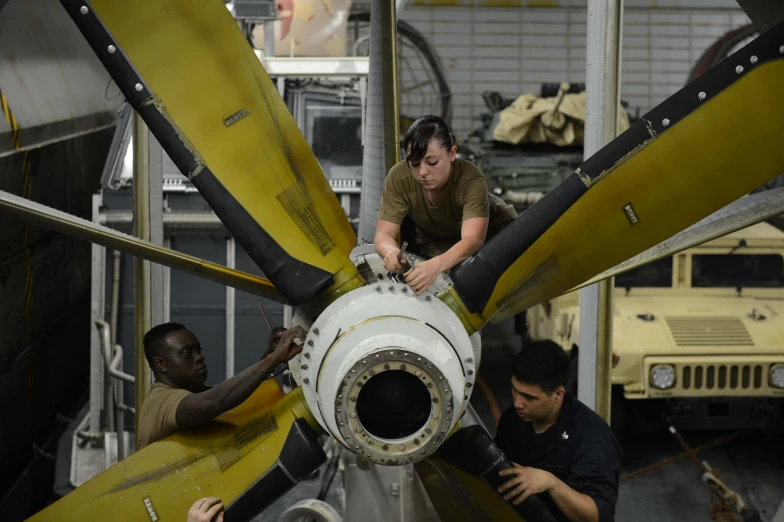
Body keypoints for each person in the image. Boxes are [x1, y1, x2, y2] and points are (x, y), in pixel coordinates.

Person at [374, 115, 517, 296]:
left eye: (432, 162)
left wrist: (435, 266)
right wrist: (391, 252)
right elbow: (383, 234)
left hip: (490, 237)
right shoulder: (399, 177)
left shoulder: (470, 178)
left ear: (452, 154)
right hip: (431, 240)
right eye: (414, 164)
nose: (423, 172)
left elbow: (473, 239)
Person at [494, 340, 622, 522]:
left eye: (530, 397)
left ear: (558, 395)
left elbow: (596, 515)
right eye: (515, 390)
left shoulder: (593, 437)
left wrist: (551, 483)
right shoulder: (513, 419)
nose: (517, 403)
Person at [136, 322, 306, 450]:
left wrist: (271, 354)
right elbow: (219, 400)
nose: (200, 357)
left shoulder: (190, 393)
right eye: (187, 353)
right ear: (160, 364)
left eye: (198, 350)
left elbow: (237, 392)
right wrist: (274, 358)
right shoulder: (160, 401)